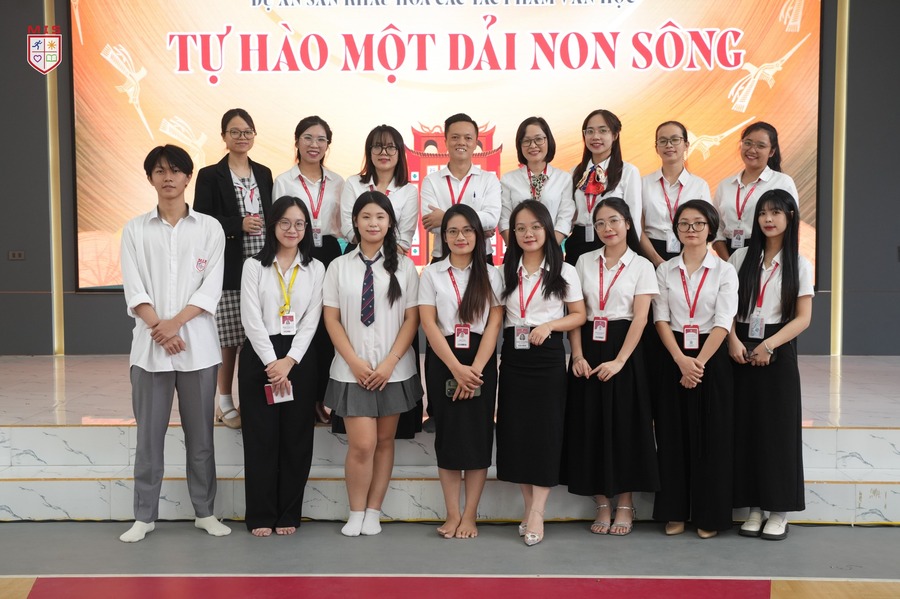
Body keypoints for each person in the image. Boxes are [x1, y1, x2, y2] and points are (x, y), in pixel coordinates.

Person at [118, 145, 231, 542]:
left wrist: (175, 325)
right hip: (149, 351)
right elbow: (134, 288)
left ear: (188, 177)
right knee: (148, 439)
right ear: (150, 177)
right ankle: (144, 516)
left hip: (198, 349)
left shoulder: (209, 229)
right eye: (160, 171)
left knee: (201, 439)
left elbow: (210, 288)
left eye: (176, 170)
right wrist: (161, 329)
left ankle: (205, 512)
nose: (168, 177)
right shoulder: (135, 229)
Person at [322, 191, 423, 537]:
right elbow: (331, 318)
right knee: (362, 444)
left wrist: (390, 363)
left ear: (390, 222)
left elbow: (412, 319)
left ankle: (374, 511)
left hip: (393, 370)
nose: (373, 223)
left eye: (380, 217)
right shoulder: (338, 267)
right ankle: (355, 510)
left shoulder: (405, 267)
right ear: (355, 221)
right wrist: (353, 361)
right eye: (366, 216)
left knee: (384, 441)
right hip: (352, 370)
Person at [561, 198, 659, 536]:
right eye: (600, 223)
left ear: (628, 223)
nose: (607, 228)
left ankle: (626, 503)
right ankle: (602, 502)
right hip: (588, 345)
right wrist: (576, 355)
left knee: (626, 425)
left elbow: (641, 318)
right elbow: (576, 313)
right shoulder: (582, 262)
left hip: (625, 348)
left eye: (614, 221)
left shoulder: (642, 265)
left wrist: (619, 361)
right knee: (589, 423)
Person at [496, 200, 586, 546]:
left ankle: (538, 511)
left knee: (546, 433)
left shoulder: (564, 270)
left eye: (535, 226)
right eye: (520, 228)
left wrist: (550, 325)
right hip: (514, 356)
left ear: (547, 229)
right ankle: (528, 506)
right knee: (517, 432)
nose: (528, 233)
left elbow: (578, 315)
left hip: (547, 356)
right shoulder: (504, 270)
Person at [727, 189, 813, 541]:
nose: (768, 219)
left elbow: (803, 318)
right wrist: (732, 340)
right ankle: (753, 508)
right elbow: (725, 307)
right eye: (763, 212)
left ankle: (778, 511)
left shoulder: (799, 263)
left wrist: (768, 345)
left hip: (777, 346)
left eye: (776, 212)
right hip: (740, 346)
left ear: (790, 217)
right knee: (746, 429)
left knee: (778, 431)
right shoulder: (740, 257)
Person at [238, 196, 325, 537]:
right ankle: (260, 514)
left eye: (299, 223)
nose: (292, 229)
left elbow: (312, 320)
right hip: (260, 356)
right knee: (260, 438)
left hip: (298, 358)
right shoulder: (253, 266)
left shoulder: (316, 268)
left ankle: (289, 512)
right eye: (285, 222)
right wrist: (272, 362)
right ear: (273, 224)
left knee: (296, 438)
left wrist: (289, 361)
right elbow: (251, 319)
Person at [652, 199, 738, 539]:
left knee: (711, 438)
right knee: (671, 435)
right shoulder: (665, 270)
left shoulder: (724, 271)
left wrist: (697, 364)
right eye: (684, 223)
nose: (691, 229)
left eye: (699, 223)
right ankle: (674, 511)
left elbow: (723, 321)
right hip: (672, 354)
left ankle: (708, 515)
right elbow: (660, 318)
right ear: (676, 229)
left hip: (710, 356)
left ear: (711, 228)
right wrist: (680, 360)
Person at [419, 204, 504, 539]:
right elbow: (428, 322)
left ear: (478, 235)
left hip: (480, 360)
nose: (460, 237)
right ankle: (452, 514)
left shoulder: (492, 274)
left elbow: (494, 323)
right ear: (443, 236)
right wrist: (456, 368)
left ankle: (470, 516)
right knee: (449, 437)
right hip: (444, 359)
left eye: (467, 230)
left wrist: (476, 370)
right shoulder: (432, 274)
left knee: (478, 437)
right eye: (452, 231)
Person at [194, 108, 274, 430]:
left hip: (263, 266)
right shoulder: (210, 175)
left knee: (259, 337)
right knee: (229, 339)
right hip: (230, 266)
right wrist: (238, 224)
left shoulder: (264, 173)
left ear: (254, 135)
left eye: (247, 132)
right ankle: (224, 401)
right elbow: (202, 219)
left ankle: (251, 399)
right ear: (224, 136)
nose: (242, 137)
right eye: (235, 132)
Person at [273, 116, 345, 424]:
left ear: (328, 144)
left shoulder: (339, 182)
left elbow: (344, 226)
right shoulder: (284, 181)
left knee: (329, 328)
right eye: (308, 138)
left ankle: (323, 399)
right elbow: (279, 223)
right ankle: (301, 397)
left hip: (328, 252)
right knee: (303, 325)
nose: (314, 145)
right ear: (297, 141)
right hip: (296, 249)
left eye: (321, 139)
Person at [421, 113, 502, 263]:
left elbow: (491, 219)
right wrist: (477, 227)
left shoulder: (489, 179)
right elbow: (431, 224)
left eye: (468, 138)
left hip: (481, 257)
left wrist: (444, 218)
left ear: (475, 143)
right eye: (455, 137)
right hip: (442, 256)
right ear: (446, 142)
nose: (461, 142)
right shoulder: (431, 181)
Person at [711, 122, 799, 259]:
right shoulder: (725, 185)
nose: (752, 150)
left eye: (760, 146)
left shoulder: (782, 182)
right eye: (748, 143)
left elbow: (791, 226)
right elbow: (716, 227)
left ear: (771, 152)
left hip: (765, 254)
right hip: (728, 254)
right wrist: (729, 263)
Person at [567, 109, 642, 266]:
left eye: (603, 131)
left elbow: (633, 217)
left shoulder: (628, 171)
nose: (595, 136)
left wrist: (631, 253)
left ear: (615, 135)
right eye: (590, 131)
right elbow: (569, 213)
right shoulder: (575, 172)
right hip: (578, 242)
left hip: (611, 240)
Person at [640, 121, 711, 268]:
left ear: (686, 145)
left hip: (689, 252)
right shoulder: (643, 183)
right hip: (650, 253)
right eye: (663, 141)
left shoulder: (699, 185)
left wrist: (684, 259)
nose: (669, 145)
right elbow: (637, 228)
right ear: (656, 148)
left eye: (675, 139)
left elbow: (706, 227)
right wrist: (656, 260)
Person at [340, 125, 418, 255]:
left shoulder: (409, 191)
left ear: (399, 152)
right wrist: (370, 247)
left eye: (390, 147)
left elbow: (404, 237)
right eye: (377, 146)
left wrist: (382, 250)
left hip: (392, 256)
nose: (383, 152)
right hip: (356, 253)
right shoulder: (353, 183)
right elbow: (347, 226)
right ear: (369, 152)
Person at [499, 117, 574, 245]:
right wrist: (516, 249)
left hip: (552, 247)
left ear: (548, 140)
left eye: (539, 139)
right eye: (526, 141)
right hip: (518, 249)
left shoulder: (563, 178)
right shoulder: (508, 180)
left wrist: (550, 249)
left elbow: (565, 218)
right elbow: (504, 220)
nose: (533, 145)